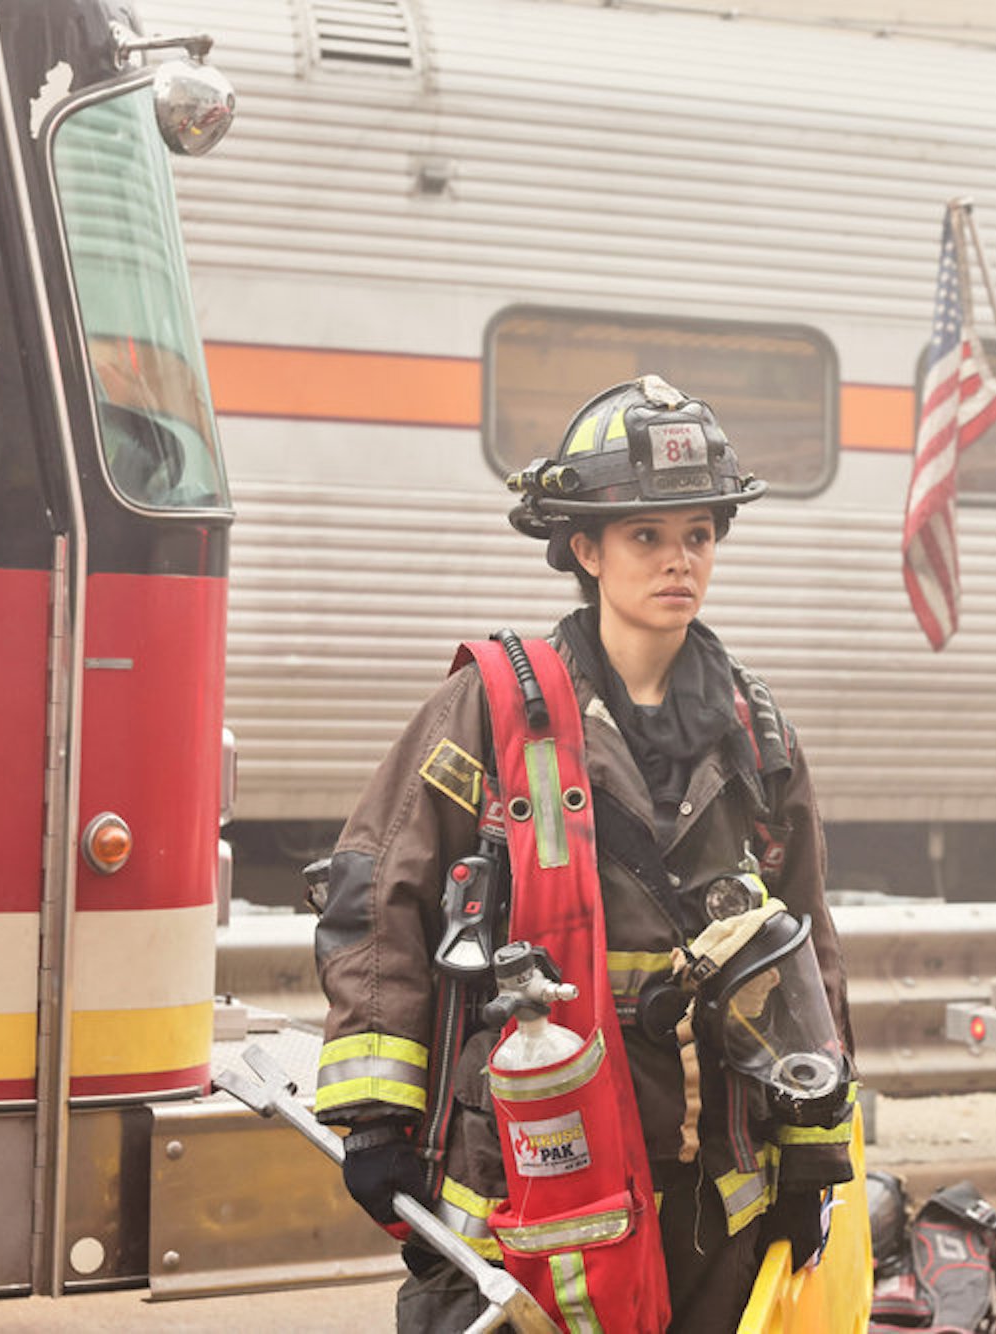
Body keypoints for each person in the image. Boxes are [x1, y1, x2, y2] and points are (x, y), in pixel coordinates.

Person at [312, 375, 857, 1332]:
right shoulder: (489, 712)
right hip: (533, 1161)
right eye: (647, 536)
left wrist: (813, 1151)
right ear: (584, 549)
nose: (678, 560)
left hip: (707, 1184)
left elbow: (809, 947)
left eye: (697, 535)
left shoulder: (756, 736)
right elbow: (378, 895)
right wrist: (376, 1117)